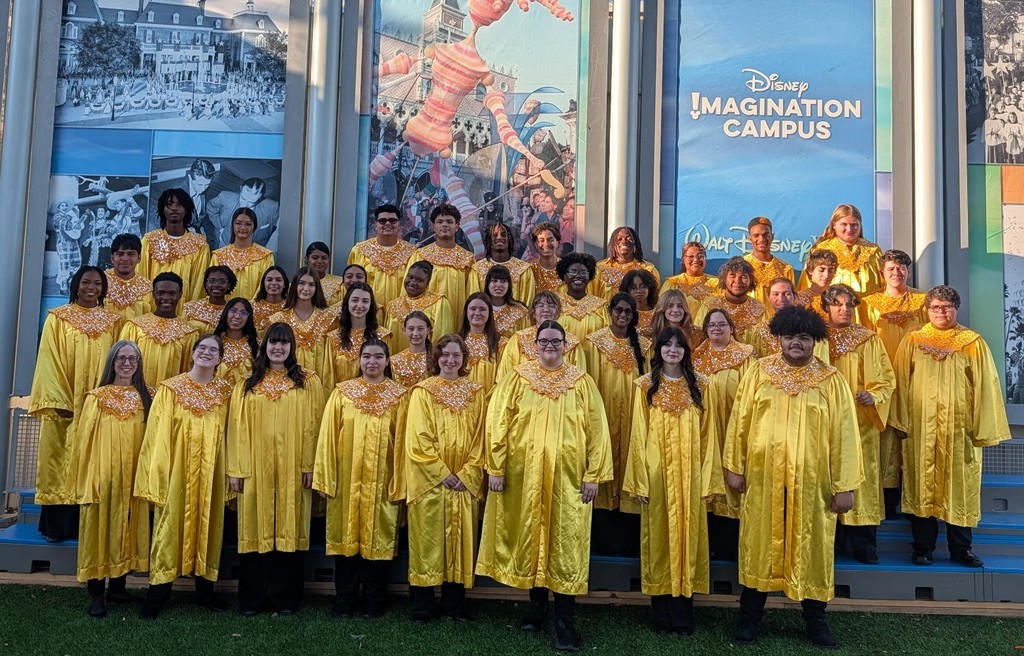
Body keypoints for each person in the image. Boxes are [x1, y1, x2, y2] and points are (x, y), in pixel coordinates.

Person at [724, 307, 862, 648]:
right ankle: (749, 618)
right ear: (779, 339)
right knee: (759, 544)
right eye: (789, 337)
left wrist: (845, 485)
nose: (796, 343)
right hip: (763, 476)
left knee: (811, 545)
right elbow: (741, 418)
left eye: (803, 338)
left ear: (813, 341)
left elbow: (845, 433)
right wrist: (733, 465)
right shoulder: (759, 372)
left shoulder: (831, 379)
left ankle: (815, 621)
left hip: (813, 483)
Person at [477, 320, 612, 651]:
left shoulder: (581, 382)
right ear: (534, 344)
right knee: (531, 537)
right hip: (524, 475)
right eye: (544, 341)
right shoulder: (518, 378)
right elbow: (498, 422)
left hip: (568, 479)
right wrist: (495, 467)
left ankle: (565, 622)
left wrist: (593, 473)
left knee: (565, 544)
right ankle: (536, 609)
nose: (550, 346)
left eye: (556, 341)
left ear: (565, 345)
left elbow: (597, 428)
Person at [891, 285, 1011, 568]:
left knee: (959, 487)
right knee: (921, 486)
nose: (941, 312)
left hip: (960, 430)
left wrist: (982, 428)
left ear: (956, 308)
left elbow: (986, 386)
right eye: (935, 307)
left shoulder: (972, 342)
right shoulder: (914, 340)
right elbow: (899, 381)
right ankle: (922, 548)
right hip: (920, 429)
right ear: (927, 309)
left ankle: (961, 549)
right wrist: (899, 420)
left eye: (947, 307)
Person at [624, 327, 722, 635]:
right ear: (659, 350)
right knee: (658, 539)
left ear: (686, 351)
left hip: (690, 476)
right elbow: (637, 435)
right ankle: (660, 610)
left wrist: (708, 480)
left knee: (688, 538)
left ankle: (683, 610)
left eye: (679, 345)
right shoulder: (643, 387)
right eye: (667, 344)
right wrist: (639, 479)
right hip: (657, 475)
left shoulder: (703, 386)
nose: (672, 350)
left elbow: (709, 436)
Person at [228, 323, 326, 616]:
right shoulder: (247, 382)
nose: (278, 348)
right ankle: (253, 599)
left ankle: (286, 598)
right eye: (273, 342)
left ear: (292, 347)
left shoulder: (308, 381)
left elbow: (315, 426)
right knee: (254, 528)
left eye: (284, 343)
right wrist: (236, 469)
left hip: (294, 465)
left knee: (289, 525)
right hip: (255, 466)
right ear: (265, 346)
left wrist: (311, 465)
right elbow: (236, 428)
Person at [135, 334, 234, 620]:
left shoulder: (227, 392)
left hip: (212, 472)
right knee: (168, 528)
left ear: (220, 359)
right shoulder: (171, 389)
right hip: (177, 470)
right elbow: (158, 433)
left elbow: (231, 434)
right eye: (202, 348)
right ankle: (157, 594)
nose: (206, 353)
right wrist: (159, 473)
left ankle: (205, 591)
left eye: (213, 350)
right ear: (193, 353)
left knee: (211, 525)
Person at [313, 339, 407, 619]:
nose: (372, 362)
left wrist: (399, 482)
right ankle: (344, 599)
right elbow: (328, 437)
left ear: (387, 362)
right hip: (346, 478)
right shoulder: (343, 393)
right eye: (367, 356)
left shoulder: (400, 395)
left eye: (379, 357)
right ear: (359, 360)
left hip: (382, 480)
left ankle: (374, 600)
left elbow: (402, 443)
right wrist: (325, 478)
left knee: (378, 539)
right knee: (346, 539)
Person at [30, 265, 121, 542]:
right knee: (60, 459)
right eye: (85, 282)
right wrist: (57, 398)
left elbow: (119, 363)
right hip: (66, 403)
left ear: (104, 289)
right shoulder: (58, 318)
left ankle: (88, 528)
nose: (91, 287)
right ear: (76, 285)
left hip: (98, 405)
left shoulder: (113, 322)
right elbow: (49, 359)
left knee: (94, 460)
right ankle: (56, 527)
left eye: (97, 283)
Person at [399, 335, 486, 623]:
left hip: (463, 482)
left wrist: (468, 473)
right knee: (427, 542)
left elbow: (480, 438)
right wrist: (442, 473)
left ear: (464, 359)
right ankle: (423, 604)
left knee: (460, 540)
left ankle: (454, 603)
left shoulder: (476, 393)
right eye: (446, 355)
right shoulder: (423, 392)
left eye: (457, 355)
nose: (451, 360)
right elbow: (418, 438)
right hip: (431, 483)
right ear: (436, 357)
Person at [74, 340, 153, 618]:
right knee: (98, 531)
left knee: (126, 531)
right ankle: (96, 594)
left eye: (133, 359)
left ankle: (118, 588)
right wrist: (89, 479)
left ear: (139, 364)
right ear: (112, 362)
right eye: (121, 358)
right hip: (103, 476)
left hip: (133, 477)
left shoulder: (148, 397)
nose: (127, 363)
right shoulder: (97, 397)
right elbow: (84, 442)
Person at [821, 284, 895, 565]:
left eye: (849, 304)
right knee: (827, 477)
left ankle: (864, 544)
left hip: (860, 421)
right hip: (826, 421)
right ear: (826, 307)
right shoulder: (817, 338)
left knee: (862, 479)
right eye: (837, 304)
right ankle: (831, 542)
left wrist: (874, 394)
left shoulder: (868, 339)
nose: (844, 309)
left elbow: (887, 379)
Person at [582, 292, 650, 556]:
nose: (622, 316)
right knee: (603, 465)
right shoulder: (595, 342)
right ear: (610, 311)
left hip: (633, 418)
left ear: (633, 316)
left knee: (629, 465)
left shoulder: (643, 345)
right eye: (618, 311)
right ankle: (602, 541)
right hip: (604, 415)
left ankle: (628, 543)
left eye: (628, 312)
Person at [860, 249, 927, 512]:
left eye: (900, 269)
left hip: (914, 379)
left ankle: (913, 502)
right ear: (882, 273)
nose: (895, 273)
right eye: (890, 269)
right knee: (883, 439)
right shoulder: (868, 303)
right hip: (881, 379)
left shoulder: (922, 301)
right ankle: (885, 504)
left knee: (910, 437)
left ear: (908, 271)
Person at [693, 308, 757, 560]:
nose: (717, 328)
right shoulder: (696, 358)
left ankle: (731, 548)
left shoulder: (745, 357)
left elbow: (752, 397)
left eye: (722, 324)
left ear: (732, 328)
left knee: (732, 482)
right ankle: (707, 548)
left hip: (735, 430)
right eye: (711, 325)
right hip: (704, 434)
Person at [119, 272, 201, 386]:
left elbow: (187, 370)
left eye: (172, 293)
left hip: (169, 395)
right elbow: (121, 364)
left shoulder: (189, 333)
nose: (166, 298)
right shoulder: (135, 326)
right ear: (153, 294)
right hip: (135, 392)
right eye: (160, 293)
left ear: (180, 295)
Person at [407, 204, 478, 329]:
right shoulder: (421, 255)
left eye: (449, 222)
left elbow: (472, 294)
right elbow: (409, 290)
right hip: (423, 320)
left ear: (457, 226)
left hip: (457, 318)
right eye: (440, 221)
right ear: (433, 226)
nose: (444, 225)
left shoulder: (467, 259)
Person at [139, 188, 211, 305]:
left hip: (185, 312)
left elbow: (199, 286)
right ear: (162, 209)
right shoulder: (149, 240)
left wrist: (189, 314)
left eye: (179, 205)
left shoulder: (200, 245)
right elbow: (141, 278)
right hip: (153, 310)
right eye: (169, 205)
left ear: (186, 210)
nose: (174, 208)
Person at [798, 203, 883, 299]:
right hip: (831, 309)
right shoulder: (821, 249)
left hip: (868, 311)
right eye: (844, 224)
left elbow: (885, 286)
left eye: (854, 225)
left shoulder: (873, 251)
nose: (849, 229)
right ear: (834, 225)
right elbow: (807, 286)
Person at [496, 291, 587, 380]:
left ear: (558, 312)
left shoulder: (573, 343)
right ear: (534, 313)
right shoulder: (518, 339)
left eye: (551, 306)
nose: (546, 309)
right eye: (541, 305)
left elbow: (578, 377)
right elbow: (506, 375)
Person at [348, 204, 421, 311]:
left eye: (392, 220)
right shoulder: (360, 250)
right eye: (382, 221)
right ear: (375, 224)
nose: (387, 224)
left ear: (399, 223)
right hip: (367, 312)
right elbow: (351, 284)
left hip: (401, 313)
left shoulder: (412, 252)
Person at [268, 267, 335, 382]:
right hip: (288, 384)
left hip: (320, 381)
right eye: (302, 283)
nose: (306, 288)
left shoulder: (328, 319)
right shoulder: (279, 319)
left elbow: (331, 360)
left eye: (311, 285)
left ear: (317, 288)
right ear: (294, 286)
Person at [325, 283, 391, 386]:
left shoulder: (382, 336)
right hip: (344, 400)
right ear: (347, 303)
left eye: (365, 301)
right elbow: (328, 378)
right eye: (355, 300)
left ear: (371, 305)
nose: (359, 305)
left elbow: (386, 373)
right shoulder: (334, 338)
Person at [384, 261, 454, 353]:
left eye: (419, 280)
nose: (412, 282)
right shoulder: (392, 305)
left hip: (427, 361)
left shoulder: (439, 302)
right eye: (410, 277)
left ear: (428, 283)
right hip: (396, 362)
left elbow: (442, 337)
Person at [695, 257, 766, 346]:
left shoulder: (760, 309)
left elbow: (766, 344)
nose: (737, 281)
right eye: (732, 276)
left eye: (743, 277)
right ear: (724, 279)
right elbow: (698, 338)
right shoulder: (710, 306)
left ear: (751, 280)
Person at [211, 208, 275, 301]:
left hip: (254, 311)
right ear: (232, 226)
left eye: (248, 224)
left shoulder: (264, 256)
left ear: (254, 227)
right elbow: (211, 286)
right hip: (223, 311)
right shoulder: (218, 256)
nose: (243, 227)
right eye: (238, 223)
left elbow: (265, 287)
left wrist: (250, 307)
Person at [206, 177, 281, 251]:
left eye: (251, 202)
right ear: (241, 189)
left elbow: (278, 229)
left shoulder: (272, 207)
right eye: (243, 199)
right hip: (226, 243)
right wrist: (219, 227)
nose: (245, 205)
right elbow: (210, 208)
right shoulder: (225, 197)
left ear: (261, 197)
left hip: (252, 250)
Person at [473, 222, 536, 307]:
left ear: (509, 240)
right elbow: (474, 302)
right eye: (495, 235)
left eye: (503, 235)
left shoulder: (524, 270)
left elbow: (527, 304)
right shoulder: (477, 270)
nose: (499, 237)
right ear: (488, 240)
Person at [457, 293, 506, 397]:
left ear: (489, 313)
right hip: (461, 403)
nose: (477, 313)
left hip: (490, 401)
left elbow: (502, 379)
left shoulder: (501, 344)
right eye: (473, 308)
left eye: (482, 309)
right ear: (466, 311)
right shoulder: (455, 343)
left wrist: (487, 401)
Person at [591, 227, 661, 300]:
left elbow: (655, 300)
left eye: (629, 238)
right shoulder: (598, 269)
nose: (624, 241)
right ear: (612, 244)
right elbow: (591, 299)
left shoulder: (648, 269)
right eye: (619, 239)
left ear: (635, 244)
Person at [555, 252, 608, 342]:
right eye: (573, 272)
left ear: (589, 276)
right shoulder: (555, 303)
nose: (578, 276)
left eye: (583, 272)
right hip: (562, 355)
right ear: (564, 276)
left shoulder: (601, 307)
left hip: (592, 355)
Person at [743, 217, 794, 304]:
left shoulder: (785, 269)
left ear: (772, 237)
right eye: (756, 235)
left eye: (765, 235)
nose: (762, 239)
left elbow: (791, 301)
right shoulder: (742, 265)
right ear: (750, 238)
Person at [104, 233, 153, 321]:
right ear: (112, 258)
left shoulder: (147, 287)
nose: (125, 258)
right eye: (120, 254)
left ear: (139, 258)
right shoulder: (100, 282)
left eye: (130, 254)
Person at [661, 241, 720, 316]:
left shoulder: (716, 283)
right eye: (691, 257)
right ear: (683, 260)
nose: (696, 260)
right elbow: (662, 311)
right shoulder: (672, 283)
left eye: (700, 256)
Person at [213, 297, 259, 387]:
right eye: (233, 311)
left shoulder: (257, 345)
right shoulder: (213, 343)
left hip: (243, 398)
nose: (237, 316)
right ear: (226, 313)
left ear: (248, 318)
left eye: (243, 313)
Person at [183, 265, 237, 332]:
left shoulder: (233, 312)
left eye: (221, 282)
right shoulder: (191, 307)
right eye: (212, 281)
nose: (216, 285)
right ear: (206, 284)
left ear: (229, 285)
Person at [484, 264, 530, 338]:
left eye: (503, 281)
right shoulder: (479, 309)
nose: (499, 285)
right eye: (494, 281)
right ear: (487, 284)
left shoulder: (520, 311)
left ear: (509, 285)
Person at [390, 311, 433, 388]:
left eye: (420, 329)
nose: (415, 333)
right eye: (411, 329)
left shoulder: (437, 358)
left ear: (428, 330)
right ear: (404, 330)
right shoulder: (394, 361)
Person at [796, 250, 837, 321]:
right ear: (810, 270)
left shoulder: (838, 297)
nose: (826, 275)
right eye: (821, 270)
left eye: (831, 271)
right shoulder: (799, 298)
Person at [620, 269, 658, 339]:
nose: (638, 291)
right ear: (627, 290)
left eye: (643, 286)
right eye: (633, 288)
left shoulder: (659, 311)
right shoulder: (623, 313)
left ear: (649, 288)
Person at [305, 241, 346, 306]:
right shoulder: (297, 284)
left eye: (324, 258)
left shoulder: (340, 284)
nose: (320, 261)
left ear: (328, 260)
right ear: (307, 259)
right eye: (315, 258)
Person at [252, 265, 289, 334]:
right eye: (269, 280)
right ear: (264, 283)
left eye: (278, 280)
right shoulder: (252, 307)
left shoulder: (290, 308)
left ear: (284, 284)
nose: (274, 283)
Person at [529, 222, 564, 293]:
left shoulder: (566, 269)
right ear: (535, 244)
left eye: (550, 240)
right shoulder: (530, 270)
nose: (546, 244)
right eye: (541, 240)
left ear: (557, 243)